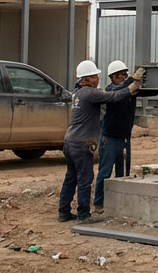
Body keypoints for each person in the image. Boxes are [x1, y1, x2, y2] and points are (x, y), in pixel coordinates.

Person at [59, 59, 141, 223]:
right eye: (95, 76)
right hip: (82, 144)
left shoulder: (78, 92)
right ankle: (84, 215)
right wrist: (131, 86)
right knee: (85, 180)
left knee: (71, 177)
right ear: (86, 79)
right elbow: (113, 96)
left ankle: (64, 212)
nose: (97, 79)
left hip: (70, 142)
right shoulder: (89, 92)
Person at [92, 60, 143, 213]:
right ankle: (99, 203)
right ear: (113, 77)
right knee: (105, 172)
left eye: (125, 75)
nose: (124, 77)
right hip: (110, 137)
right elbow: (119, 91)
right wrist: (132, 81)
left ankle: (119, 202)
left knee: (122, 173)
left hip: (123, 137)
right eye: (121, 75)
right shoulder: (110, 91)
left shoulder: (129, 90)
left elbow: (137, 90)